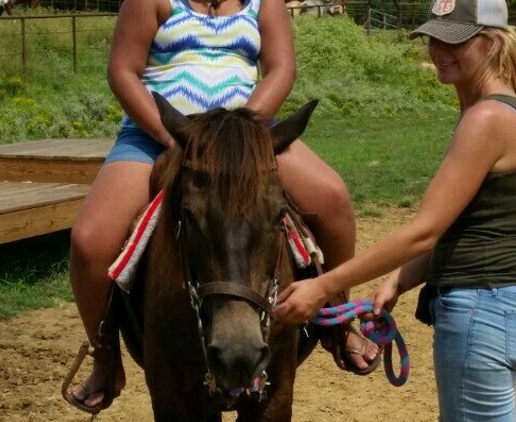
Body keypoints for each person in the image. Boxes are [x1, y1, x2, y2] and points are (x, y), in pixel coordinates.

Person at [67, 0, 379, 414]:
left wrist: (239, 135)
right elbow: (123, 72)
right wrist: (175, 137)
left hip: (246, 136)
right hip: (158, 134)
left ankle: (337, 320)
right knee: (90, 240)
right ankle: (105, 355)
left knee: (333, 199)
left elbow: (281, 69)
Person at [274, 0, 516, 420]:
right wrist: (398, 281)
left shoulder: (484, 121)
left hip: (481, 314)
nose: (439, 50)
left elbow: (424, 231)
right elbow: (468, 224)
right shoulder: (507, 111)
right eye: (433, 38)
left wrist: (321, 287)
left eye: (454, 40)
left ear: (492, 44)